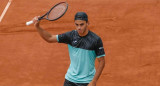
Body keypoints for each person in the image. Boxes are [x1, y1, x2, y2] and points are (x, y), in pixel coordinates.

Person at [32, 12, 105, 86]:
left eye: (81, 24)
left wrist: (94, 81)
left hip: (87, 81)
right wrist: (38, 27)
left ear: (87, 23)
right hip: (70, 80)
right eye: (77, 24)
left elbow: (101, 61)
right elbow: (49, 38)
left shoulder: (96, 40)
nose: (79, 27)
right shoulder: (71, 36)